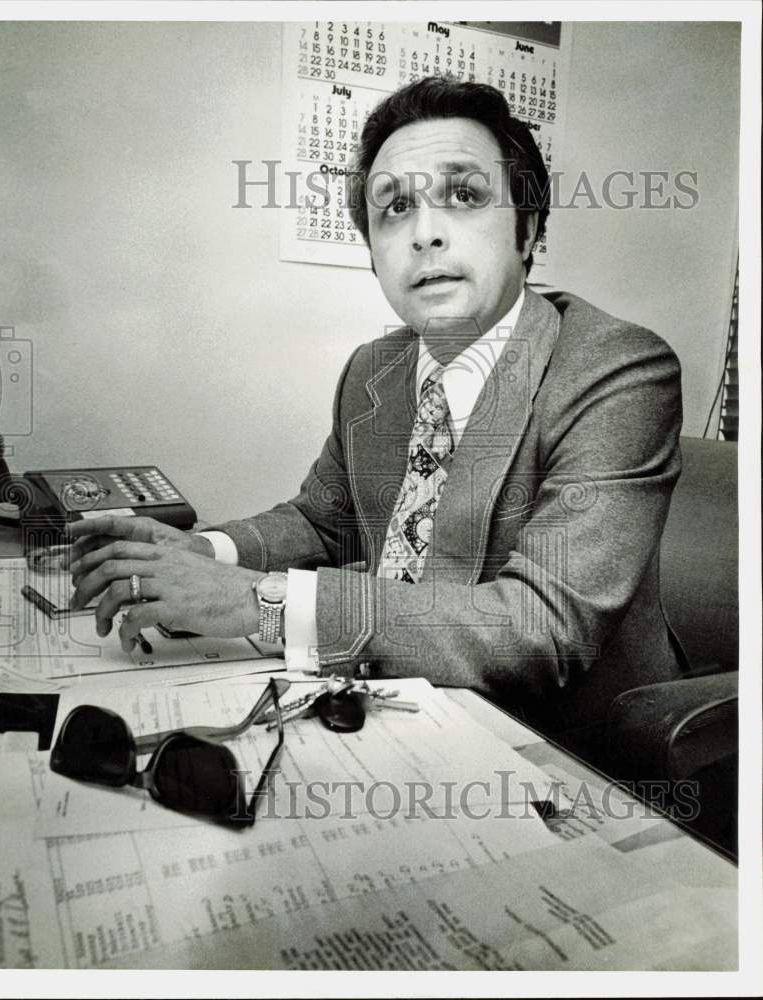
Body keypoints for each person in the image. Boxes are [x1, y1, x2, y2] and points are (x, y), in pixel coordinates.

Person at [68, 77, 685, 764]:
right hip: (394, 714)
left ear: (529, 229)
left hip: (564, 751)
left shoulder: (616, 368)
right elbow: (321, 520)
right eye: (394, 208)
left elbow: (540, 629)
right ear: (373, 255)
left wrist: (262, 602)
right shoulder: (376, 369)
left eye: (466, 195)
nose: (425, 233)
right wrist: (206, 553)